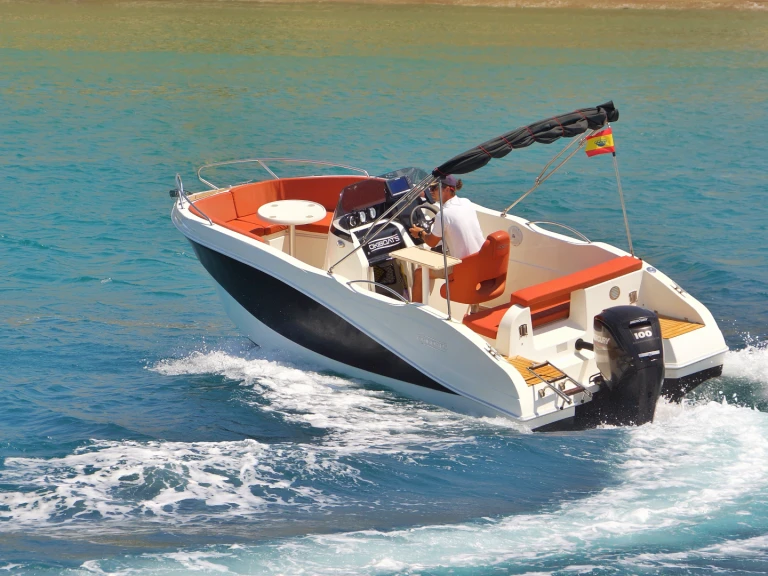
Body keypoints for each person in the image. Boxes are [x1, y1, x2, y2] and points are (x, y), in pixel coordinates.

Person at [408, 175, 485, 303]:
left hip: (462, 267)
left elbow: (432, 242)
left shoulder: (443, 215)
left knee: (420, 273)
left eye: (434, 188)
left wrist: (420, 233)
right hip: (479, 260)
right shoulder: (466, 202)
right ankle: (474, 310)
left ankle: (415, 314)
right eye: (430, 188)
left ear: (448, 190)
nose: (431, 192)